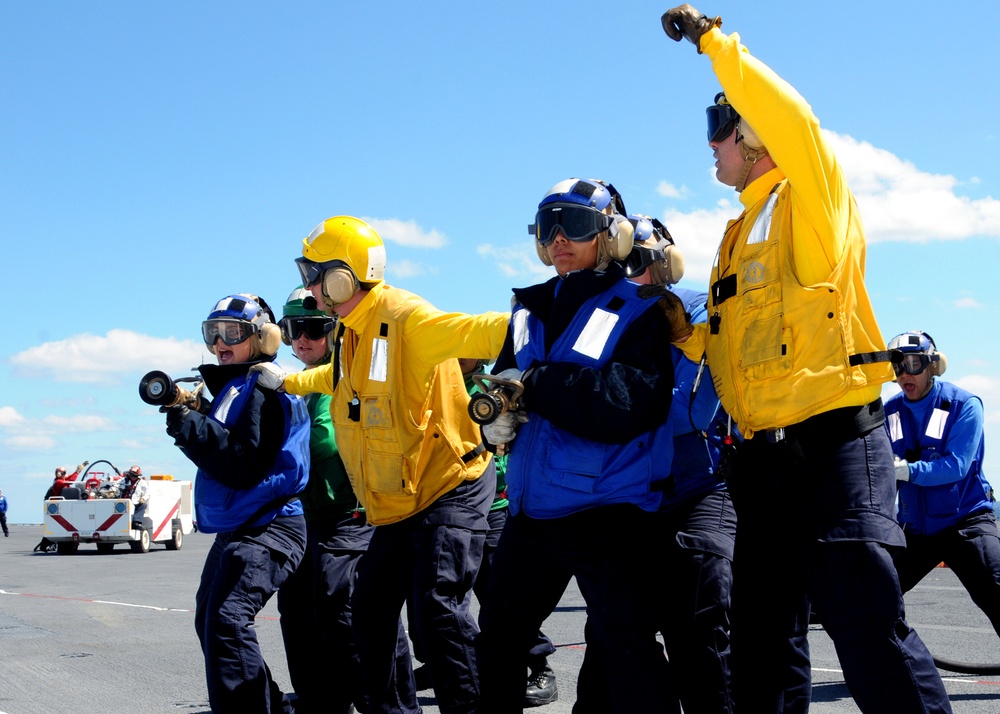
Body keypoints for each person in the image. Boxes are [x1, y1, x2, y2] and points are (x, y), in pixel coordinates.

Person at [659, 6, 952, 712]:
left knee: (867, 630)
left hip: (831, 448)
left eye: (720, 135)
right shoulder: (738, 232)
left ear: (752, 136)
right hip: (759, 465)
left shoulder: (810, 200)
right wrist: (676, 327)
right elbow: (736, 343)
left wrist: (713, 45)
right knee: (761, 641)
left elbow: (798, 121)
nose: (712, 151)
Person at [252, 216, 509, 714]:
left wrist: (548, 327)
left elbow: (482, 330)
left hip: (448, 486)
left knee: (440, 615)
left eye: (314, 272)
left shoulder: (406, 317)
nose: (309, 285)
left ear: (343, 277)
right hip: (399, 503)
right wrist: (287, 383)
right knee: (367, 616)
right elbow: (340, 380)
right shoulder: (353, 331)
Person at [474, 178, 689, 714]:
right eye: (548, 228)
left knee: (628, 650)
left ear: (611, 234)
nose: (559, 239)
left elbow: (626, 405)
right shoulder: (526, 310)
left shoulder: (641, 309)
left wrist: (540, 385)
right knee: (498, 641)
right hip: (533, 510)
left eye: (574, 225)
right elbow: (505, 380)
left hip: (609, 512)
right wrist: (492, 419)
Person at [158, 292, 309, 713]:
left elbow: (243, 466)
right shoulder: (239, 388)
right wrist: (193, 411)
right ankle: (271, 705)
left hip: (271, 524)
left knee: (227, 618)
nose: (221, 342)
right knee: (210, 617)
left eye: (233, 333)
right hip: (244, 525)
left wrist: (188, 425)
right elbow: (232, 440)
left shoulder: (264, 388)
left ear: (262, 338)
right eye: (213, 333)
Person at [275, 286, 414, 714]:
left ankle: (388, 705)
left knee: (348, 609)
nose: (303, 339)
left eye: (315, 328)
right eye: (294, 329)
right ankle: (323, 704)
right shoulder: (291, 386)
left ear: (336, 329)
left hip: (354, 515)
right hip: (307, 519)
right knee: (298, 612)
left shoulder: (353, 373)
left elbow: (323, 444)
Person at [629, 215, 736, 714]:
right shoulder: (599, 317)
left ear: (662, 263)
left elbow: (690, 408)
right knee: (617, 637)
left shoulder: (694, 309)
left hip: (699, 487)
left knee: (700, 619)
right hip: (628, 497)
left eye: (633, 263)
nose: (624, 277)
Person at [884, 331, 1000, 635]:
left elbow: (957, 466)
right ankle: (891, 674)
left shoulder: (965, 405)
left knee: (997, 591)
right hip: (915, 530)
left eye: (914, 364)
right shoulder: (889, 413)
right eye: (898, 365)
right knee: (873, 600)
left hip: (965, 522)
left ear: (934, 366)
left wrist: (908, 471)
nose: (905, 373)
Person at [461, 357, 558, 709]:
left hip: (498, 506)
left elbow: (501, 448)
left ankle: (540, 665)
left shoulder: (489, 387)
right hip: (460, 508)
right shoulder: (445, 385)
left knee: (501, 598)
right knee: (469, 603)